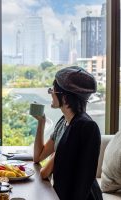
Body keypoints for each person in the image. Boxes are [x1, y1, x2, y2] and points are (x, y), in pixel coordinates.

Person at [33, 66, 103, 200]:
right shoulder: (64, 121)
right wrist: (41, 122)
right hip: (63, 194)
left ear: (64, 98)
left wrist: (56, 153)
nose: (50, 93)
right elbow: (38, 156)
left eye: (52, 90)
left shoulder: (85, 127)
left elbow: (44, 172)